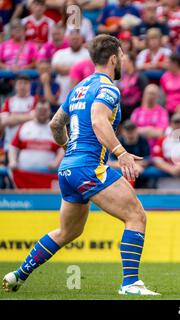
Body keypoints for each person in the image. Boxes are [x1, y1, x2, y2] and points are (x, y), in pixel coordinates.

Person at [2, 34, 159, 296]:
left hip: (68, 169)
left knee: (68, 231)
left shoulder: (79, 88)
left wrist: (68, 150)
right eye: (121, 57)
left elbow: (55, 124)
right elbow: (98, 121)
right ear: (113, 58)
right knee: (136, 216)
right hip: (88, 167)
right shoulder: (108, 88)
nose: (122, 61)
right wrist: (121, 153)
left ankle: (18, 274)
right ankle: (130, 284)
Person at [8, 99, 64, 172]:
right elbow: (13, 147)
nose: (42, 112)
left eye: (45, 110)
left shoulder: (55, 129)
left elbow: (62, 149)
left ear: (49, 111)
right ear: (34, 111)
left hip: (46, 175)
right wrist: (13, 161)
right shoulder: (24, 126)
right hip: (24, 175)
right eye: (40, 110)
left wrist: (56, 162)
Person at [109, 120, 151, 189]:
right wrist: (132, 166)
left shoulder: (142, 141)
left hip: (141, 178)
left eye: (132, 130)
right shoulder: (118, 141)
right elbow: (111, 162)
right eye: (127, 130)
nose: (130, 133)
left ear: (136, 130)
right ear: (123, 131)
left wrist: (134, 165)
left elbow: (147, 160)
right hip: (121, 178)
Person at [131, 83, 169, 149]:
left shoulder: (162, 112)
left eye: (153, 94)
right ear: (144, 95)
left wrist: (141, 131)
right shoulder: (137, 112)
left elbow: (160, 133)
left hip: (156, 149)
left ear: (157, 96)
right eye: (149, 93)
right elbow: (132, 132)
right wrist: (150, 129)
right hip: (138, 149)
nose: (150, 96)